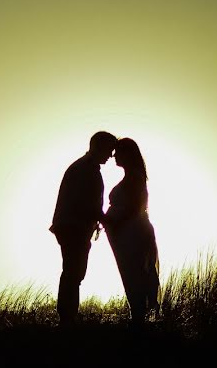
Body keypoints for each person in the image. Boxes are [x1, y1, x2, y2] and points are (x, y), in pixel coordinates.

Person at [49, 131, 117, 326]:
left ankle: (68, 317)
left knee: (74, 272)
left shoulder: (85, 167)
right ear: (98, 146)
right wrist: (107, 220)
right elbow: (86, 204)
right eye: (109, 150)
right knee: (73, 272)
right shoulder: (85, 169)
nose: (111, 155)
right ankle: (67, 318)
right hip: (73, 227)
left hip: (73, 226)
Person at [102, 137, 160, 326]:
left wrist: (113, 222)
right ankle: (138, 317)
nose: (114, 155)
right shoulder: (132, 176)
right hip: (125, 234)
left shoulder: (135, 177)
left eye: (117, 152)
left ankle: (139, 319)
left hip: (132, 234)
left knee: (135, 273)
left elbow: (135, 207)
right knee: (131, 273)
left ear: (127, 154)